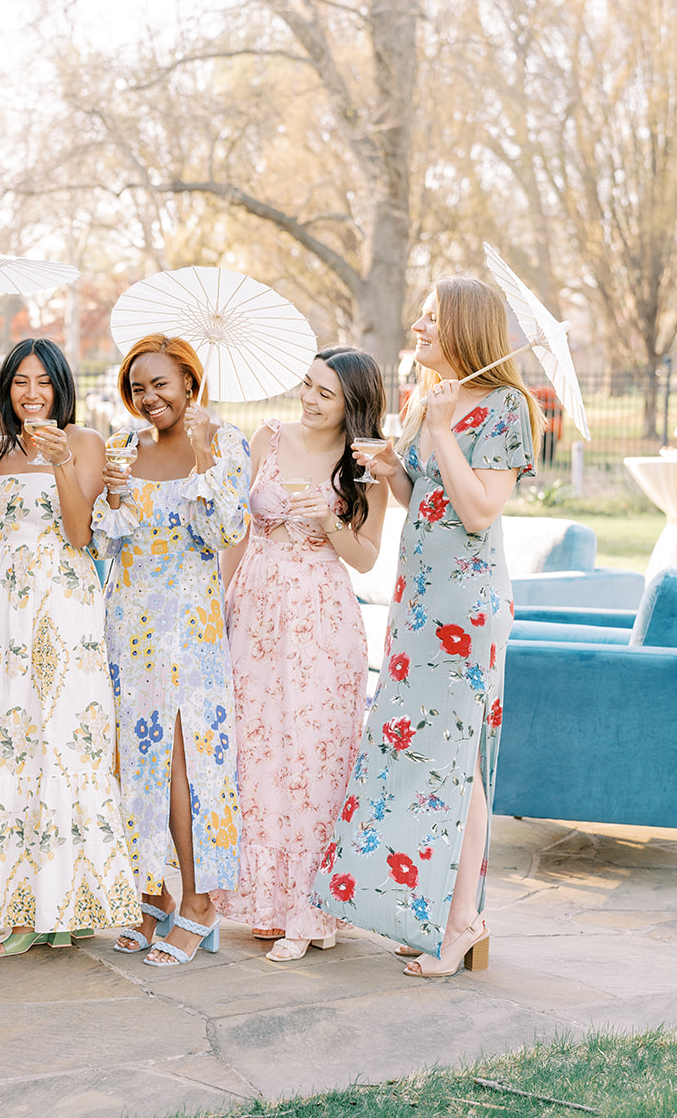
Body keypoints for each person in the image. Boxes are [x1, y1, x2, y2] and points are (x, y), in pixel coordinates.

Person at [314, 277, 541, 978]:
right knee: (419, 756)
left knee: (454, 759)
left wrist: (441, 432)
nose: (417, 325)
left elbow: (477, 513)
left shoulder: (505, 407)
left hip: (466, 609)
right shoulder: (425, 400)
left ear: (464, 329)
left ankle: (463, 919)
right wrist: (392, 467)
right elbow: (427, 502)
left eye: (432, 318)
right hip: (416, 602)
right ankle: (433, 911)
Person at [0, 338, 139, 956]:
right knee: (10, 739)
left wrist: (59, 461)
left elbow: (80, 531)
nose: (32, 394)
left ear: (61, 387)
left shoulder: (85, 441)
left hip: (65, 602)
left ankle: (73, 898)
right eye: (19, 383)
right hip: (3, 609)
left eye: (43, 383)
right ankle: (19, 905)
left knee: (67, 740)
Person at [213, 349, 387, 961]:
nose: (310, 400)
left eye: (326, 394)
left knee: (312, 754)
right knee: (255, 748)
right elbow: (238, 531)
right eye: (308, 386)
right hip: (255, 609)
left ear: (352, 406)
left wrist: (330, 521)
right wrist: (219, 603)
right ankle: (264, 900)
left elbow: (366, 557)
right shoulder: (268, 437)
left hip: (320, 618)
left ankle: (308, 911)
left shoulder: (364, 463)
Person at [91, 335, 250, 967]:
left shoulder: (225, 444)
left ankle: (200, 901)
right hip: (128, 625)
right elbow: (105, 546)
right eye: (137, 388)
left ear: (190, 382)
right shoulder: (123, 450)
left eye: (161, 383)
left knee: (187, 769)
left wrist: (207, 458)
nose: (149, 398)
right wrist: (111, 497)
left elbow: (226, 531)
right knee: (136, 763)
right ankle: (153, 893)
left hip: (190, 631)